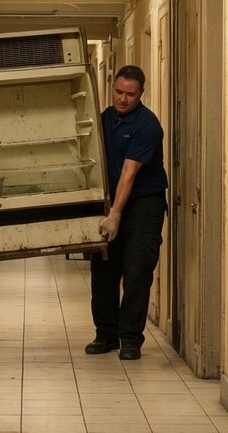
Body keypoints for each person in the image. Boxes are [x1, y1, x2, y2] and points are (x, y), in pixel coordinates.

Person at [85, 65, 168, 360]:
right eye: (118, 92)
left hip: (143, 206)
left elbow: (129, 174)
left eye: (130, 94)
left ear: (141, 93)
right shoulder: (105, 119)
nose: (122, 99)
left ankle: (130, 339)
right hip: (112, 203)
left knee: (137, 271)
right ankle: (106, 335)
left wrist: (115, 214)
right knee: (104, 269)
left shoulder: (148, 125)